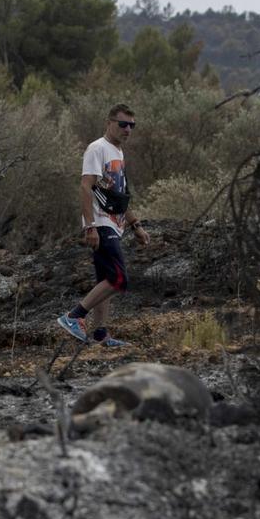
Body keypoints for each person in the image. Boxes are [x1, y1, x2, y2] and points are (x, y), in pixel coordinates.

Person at [57, 103, 150, 346]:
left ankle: (100, 335)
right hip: (100, 224)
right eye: (122, 124)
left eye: (132, 125)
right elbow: (85, 186)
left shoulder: (118, 153)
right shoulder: (97, 149)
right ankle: (74, 316)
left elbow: (118, 196)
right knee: (119, 279)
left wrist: (135, 224)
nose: (127, 129)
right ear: (109, 123)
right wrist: (90, 226)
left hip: (114, 224)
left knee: (106, 279)